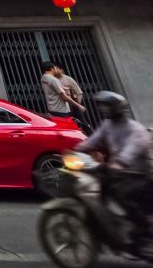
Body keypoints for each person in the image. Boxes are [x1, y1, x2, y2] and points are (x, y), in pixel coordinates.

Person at [75, 91, 153, 253]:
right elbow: (93, 141)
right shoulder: (108, 124)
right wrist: (75, 151)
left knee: (123, 195)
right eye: (103, 106)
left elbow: (128, 153)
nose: (104, 109)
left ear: (118, 108)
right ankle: (110, 226)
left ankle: (143, 230)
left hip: (138, 175)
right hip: (118, 173)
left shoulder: (135, 130)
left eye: (107, 106)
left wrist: (118, 164)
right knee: (100, 189)